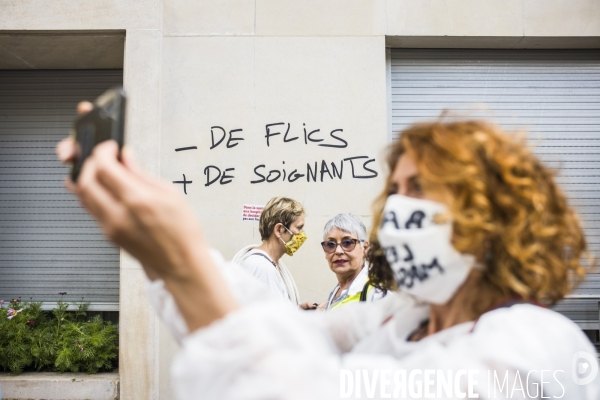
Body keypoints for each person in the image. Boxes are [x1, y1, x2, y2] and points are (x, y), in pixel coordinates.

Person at [57, 105, 598, 399]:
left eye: (422, 190)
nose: (398, 210)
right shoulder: (401, 318)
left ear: (492, 215)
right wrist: (164, 251)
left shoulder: (534, 345)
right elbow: (270, 326)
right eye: (397, 190)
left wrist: (183, 261)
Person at [232, 196, 306, 308]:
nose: (302, 234)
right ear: (279, 230)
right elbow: (274, 321)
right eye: (299, 228)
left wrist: (298, 310)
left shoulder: (270, 264)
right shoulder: (263, 267)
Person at [321, 213, 385, 310]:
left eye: (347, 243)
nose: (338, 251)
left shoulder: (379, 291)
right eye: (330, 244)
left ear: (365, 248)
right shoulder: (338, 291)